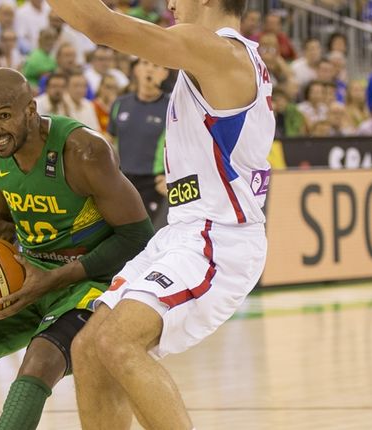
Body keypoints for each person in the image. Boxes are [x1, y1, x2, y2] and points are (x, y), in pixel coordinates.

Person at [47, 0, 273, 429]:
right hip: (182, 232)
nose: (168, 3)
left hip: (218, 239)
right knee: (89, 348)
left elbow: (101, 25)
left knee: (118, 341)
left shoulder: (217, 50)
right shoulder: (214, 58)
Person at [0, 67, 153, 430]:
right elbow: (4, 218)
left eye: (4, 116)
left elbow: (138, 237)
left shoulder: (84, 152)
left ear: (30, 111)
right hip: (25, 274)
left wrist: (53, 280)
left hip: (89, 281)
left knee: (39, 363)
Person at [108, 58, 170, 226]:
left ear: (165, 73)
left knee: (149, 238)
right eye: (145, 63)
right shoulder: (120, 104)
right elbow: (110, 141)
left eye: (156, 65)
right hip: (122, 182)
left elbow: (184, 147)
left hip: (155, 184)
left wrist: (171, 178)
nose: (149, 69)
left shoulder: (172, 106)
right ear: (136, 70)